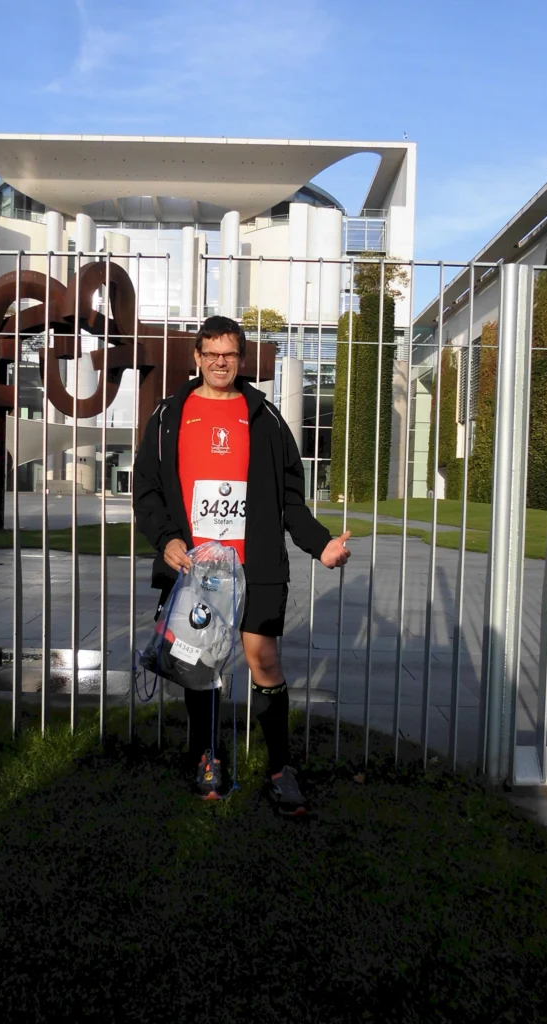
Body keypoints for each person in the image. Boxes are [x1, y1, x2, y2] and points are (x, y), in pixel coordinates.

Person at [133, 315, 350, 816]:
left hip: (255, 567)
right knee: (199, 663)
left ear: (241, 358)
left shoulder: (265, 419)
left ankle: (279, 768)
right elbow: (146, 490)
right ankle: (206, 757)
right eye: (209, 353)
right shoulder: (169, 415)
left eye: (228, 354)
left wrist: (322, 545)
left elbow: (291, 500)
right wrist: (165, 538)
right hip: (196, 568)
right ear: (196, 358)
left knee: (264, 660)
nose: (218, 362)